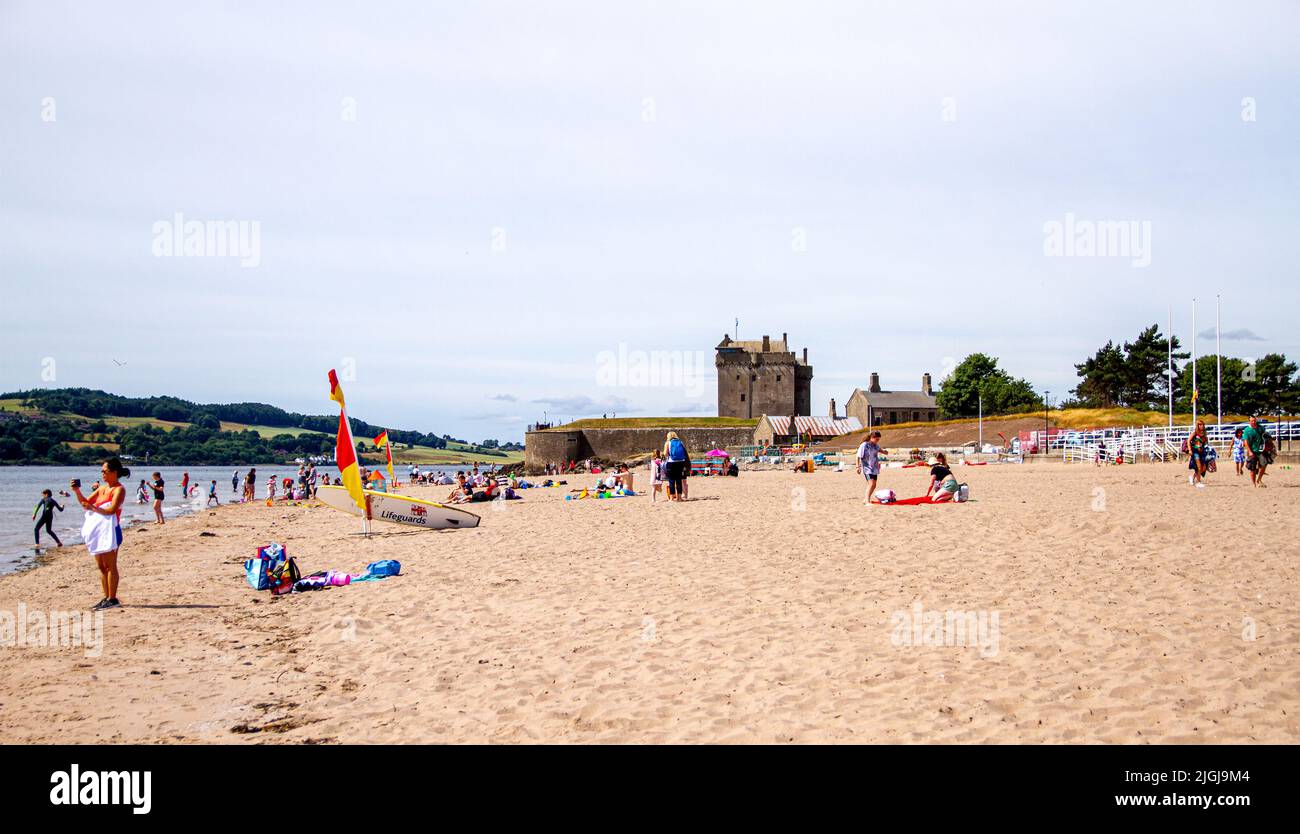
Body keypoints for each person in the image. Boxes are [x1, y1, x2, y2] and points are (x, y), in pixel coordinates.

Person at [73, 457, 129, 610]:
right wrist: (77, 491)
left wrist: (94, 508)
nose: (102, 474)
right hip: (98, 531)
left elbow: (112, 510)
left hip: (112, 530)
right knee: (101, 566)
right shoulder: (102, 488)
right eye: (102, 471)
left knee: (111, 565)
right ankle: (106, 597)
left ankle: (112, 598)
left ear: (114, 472)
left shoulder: (119, 489)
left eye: (105, 471)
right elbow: (85, 504)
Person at [856, 430, 885, 503]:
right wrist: (857, 467)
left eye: (879, 439)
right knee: (871, 484)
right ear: (872, 437)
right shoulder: (864, 445)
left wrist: (885, 452)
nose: (877, 441)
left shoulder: (876, 445)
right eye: (876, 439)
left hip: (874, 468)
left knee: (874, 485)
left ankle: (865, 499)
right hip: (867, 468)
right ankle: (867, 501)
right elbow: (858, 456)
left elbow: (880, 450)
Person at [1243, 416, 1271, 487]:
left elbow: (1266, 436)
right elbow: (1245, 442)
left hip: (1261, 450)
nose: (1253, 422)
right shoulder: (1247, 430)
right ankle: (1253, 483)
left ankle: (1258, 480)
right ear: (1249, 421)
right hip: (1252, 450)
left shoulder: (1261, 428)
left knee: (1264, 464)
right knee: (1252, 468)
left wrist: (1269, 445)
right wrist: (1249, 451)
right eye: (1252, 421)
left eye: (1254, 421)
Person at [662, 431, 689, 502]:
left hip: (671, 463)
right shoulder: (680, 442)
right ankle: (679, 498)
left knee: (671, 481)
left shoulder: (668, 443)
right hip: (680, 463)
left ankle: (671, 498)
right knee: (679, 481)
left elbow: (665, 454)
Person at [1188, 420, 1209, 487]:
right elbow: (1188, 440)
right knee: (1199, 466)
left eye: (1202, 424)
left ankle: (1192, 477)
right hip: (1195, 452)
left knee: (1203, 467)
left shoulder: (1204, 434)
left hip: (1202, 452)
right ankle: (1198, 482)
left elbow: (1206, 443)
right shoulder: (1195, 433)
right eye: (1200, 424)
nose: (1201, 426)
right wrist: (1190, 450)